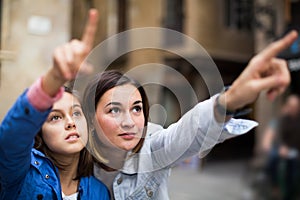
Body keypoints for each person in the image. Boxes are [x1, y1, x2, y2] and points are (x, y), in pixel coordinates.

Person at [79, 22, 298, 198]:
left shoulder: (153, 150)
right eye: (114, 110)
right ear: (90, 120)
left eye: (137, 109)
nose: (129, 121)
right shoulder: (69, 160)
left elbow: (190, 130)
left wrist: (229, 100)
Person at [0, 9, 110, 200]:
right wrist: (54, 79)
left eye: (76, 113)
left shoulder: (99, 192)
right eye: (55, 117)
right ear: (39, 134)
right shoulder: (20, 176)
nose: (70, 122)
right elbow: (11, 139)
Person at [261, 94, 300, 199]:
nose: (292, 109)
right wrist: (269, 145)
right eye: (290, 106)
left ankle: (291, 192)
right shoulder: (281, 120)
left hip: (296, 150)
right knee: (273, 158)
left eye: (295, 106)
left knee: (293, 165)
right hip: (282, 148)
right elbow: (270, 134)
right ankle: (275, 187)